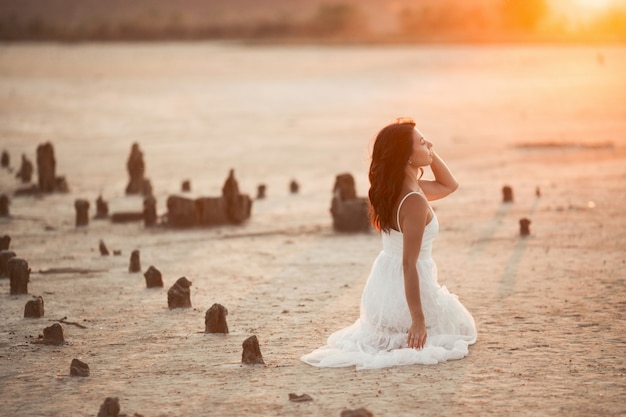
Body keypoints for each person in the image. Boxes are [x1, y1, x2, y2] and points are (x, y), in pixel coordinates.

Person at [301, 118, 477, 369]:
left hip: (382, 294)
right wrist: (417, 318)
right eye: (421, 142)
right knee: (460, 327)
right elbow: (409, 264)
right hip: (407, 294)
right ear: (406, 156)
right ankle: (409, 322)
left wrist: (430, 152)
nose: (428, 144)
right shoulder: (414, 200)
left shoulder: (392, 189)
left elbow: (449, 185)